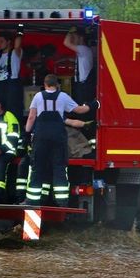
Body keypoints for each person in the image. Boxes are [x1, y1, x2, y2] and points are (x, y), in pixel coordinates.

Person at [24, 74, 92, 207]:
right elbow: (79, 110)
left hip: (41, 137)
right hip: (58, 137)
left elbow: (31, 117)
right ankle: (61, 202)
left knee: (37, 168)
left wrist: (26, 133)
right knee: (59, 168)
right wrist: (95, 104)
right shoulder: (63, 96)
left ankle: (32, 200)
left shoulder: (38, 96)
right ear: (57, 85)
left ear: (44, 84)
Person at [64, 26, 97, 107]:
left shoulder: (83, 49)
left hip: (84, 85)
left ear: (81, 38)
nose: (73, 40)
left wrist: (70, 32)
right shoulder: (84, 50)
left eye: (74, 37)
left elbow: (66, 43)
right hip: (82, 84)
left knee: (82, 106)